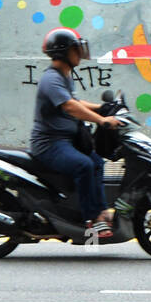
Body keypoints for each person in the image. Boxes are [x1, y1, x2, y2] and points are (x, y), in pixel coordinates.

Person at [30, 27, 122, 238]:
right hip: (49, 144)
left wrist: (101, 108)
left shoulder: (64, 76)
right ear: (64, 52)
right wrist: (101, 120)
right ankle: (92, 220)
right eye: (75, 49)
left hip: (65, 141)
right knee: (84, 165)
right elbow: (70, 106)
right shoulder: (51, 79)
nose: (79, 53)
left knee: (97, 161)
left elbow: (77, 102)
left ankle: (101, 211)